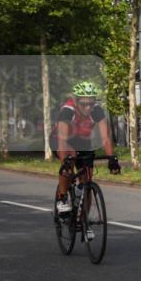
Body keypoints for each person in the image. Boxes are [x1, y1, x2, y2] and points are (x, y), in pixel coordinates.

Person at [53, 81, 120, 216]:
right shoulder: (67, 111)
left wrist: (112, 159)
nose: (88, 107)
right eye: (84, 104)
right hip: (61, 139)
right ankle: (62, 198)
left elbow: (105, 137)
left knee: (87, 183)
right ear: (76, 101)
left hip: (82, 140)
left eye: (91, 103)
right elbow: (62, 140)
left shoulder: (97, 110)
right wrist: (65, 162)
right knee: (70, 160)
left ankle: (83, 221)